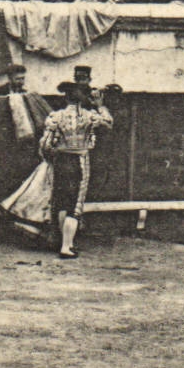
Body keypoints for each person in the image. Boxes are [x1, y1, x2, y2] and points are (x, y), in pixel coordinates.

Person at [37, 80, 113, 259]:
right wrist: (100, 106)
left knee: (62, 201)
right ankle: (66, 246)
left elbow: (45, 144)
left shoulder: (56, 116)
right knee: (75, 204)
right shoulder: (90, 116)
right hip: (79, 160)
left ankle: (66, 243)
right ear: (84, 98)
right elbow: (108, 124)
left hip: (61, 161)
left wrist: (50, 158)